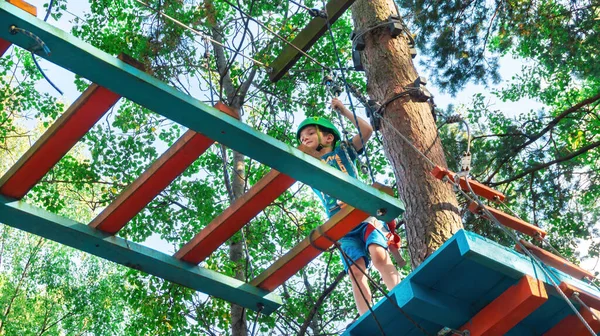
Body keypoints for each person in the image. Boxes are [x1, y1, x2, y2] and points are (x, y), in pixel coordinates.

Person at [296, 97, 400, 316]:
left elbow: (366, 130)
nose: (304, 138)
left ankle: (400, 293)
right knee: (355, 270)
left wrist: (343, 110)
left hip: (363, 215)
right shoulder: (310, 168)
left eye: (310, 133)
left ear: (328, 137)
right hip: (341, 226)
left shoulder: (343, 151)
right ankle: (366, 316)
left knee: (378, 255)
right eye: (302, 137)